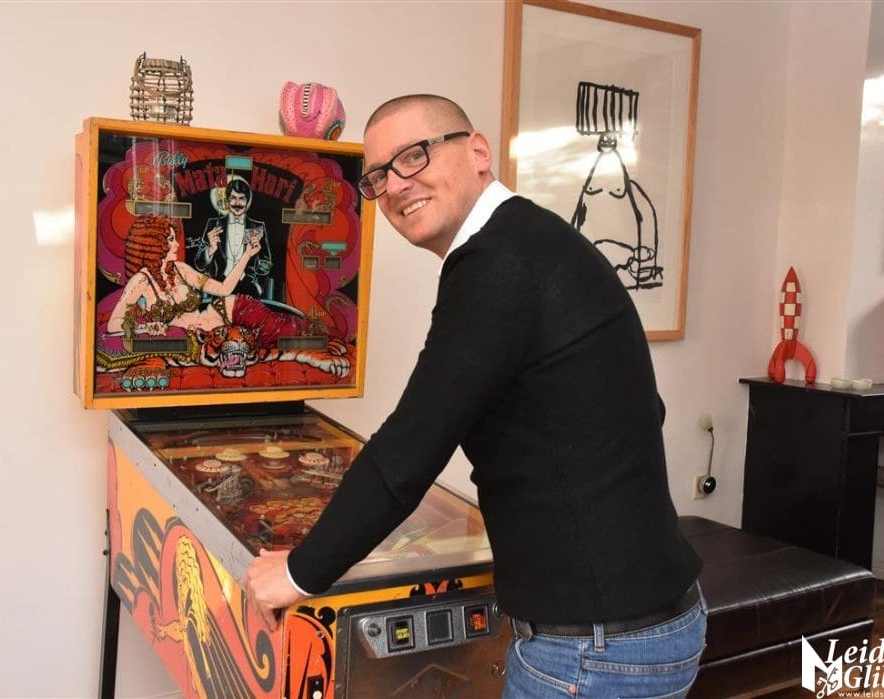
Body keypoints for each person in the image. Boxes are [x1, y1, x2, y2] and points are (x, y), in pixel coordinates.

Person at [243, 95, 705, 698]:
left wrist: (300, 572)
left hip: (594, 647)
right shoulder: (529, 238)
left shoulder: (497, 263)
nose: (395, 185)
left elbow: (411, 446)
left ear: (479, 151)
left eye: (414, 156)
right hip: (634, 621)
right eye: (378, 177)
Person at [107, 214, 301, 344]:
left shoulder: (182, 270)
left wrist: (247, 255)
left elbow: (223, 289)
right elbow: (113, 323)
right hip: (205, 336)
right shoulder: (141, 281)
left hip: (229, 310)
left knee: (286, 331)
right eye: (170, 240)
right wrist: (145, 327)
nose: (176, 245)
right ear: (154, 243)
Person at [188, 175, 274, 300]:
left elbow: (266, 262)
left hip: (248, 288)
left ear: (247, 201)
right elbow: (199, 264)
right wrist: (210, 250)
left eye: (242, 199)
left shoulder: (257, 227)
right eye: (233, 198)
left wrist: (258, 285)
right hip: (220, 287)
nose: (237, 203)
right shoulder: (213, 224)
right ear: (227, 201)